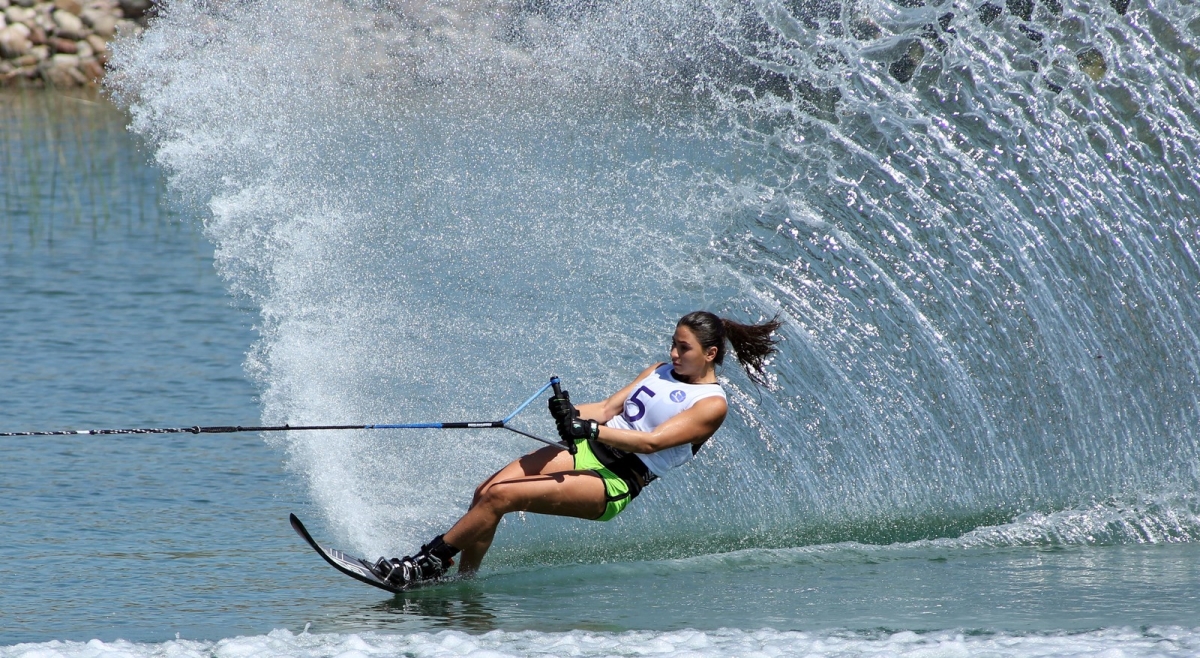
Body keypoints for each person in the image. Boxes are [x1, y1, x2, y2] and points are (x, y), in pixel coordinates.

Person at [373, 310, 782, 587]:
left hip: (620, 478)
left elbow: (651, 441)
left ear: (710, 354)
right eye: (673, 344)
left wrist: (589, 429)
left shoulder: (711, 404)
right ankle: (462, 583)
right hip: (588, 451)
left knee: (503, 497)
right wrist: (568, 411)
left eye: (684, 348)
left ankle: (423, 564)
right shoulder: (658, 371)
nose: (673, 354)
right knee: (485, 493)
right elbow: (606, 409)